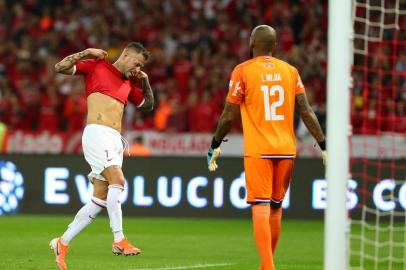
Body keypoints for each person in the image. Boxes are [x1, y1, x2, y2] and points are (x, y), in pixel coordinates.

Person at [206, 25, 327, 270]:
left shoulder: (243, 71)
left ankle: (268, 268)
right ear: (274, 46)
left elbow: (229, 115)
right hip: (286, 148)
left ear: (252, 43)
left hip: (259, 149)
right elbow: (306, 110)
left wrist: (215, 144)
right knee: (276, 207)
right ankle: (266, 266)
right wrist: (323, 145)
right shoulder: (290, 71)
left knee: (260, 206)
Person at [49, 42, 154, 270]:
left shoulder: (130, 82)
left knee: (100, 199)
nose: (137, 68)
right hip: (97, 132)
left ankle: (62, 242)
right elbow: (60, 67)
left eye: (141, 66)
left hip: (115, 139)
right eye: (137, 63)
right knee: (119, 181)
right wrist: (86, 52)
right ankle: (119, 240)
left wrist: (144, 80)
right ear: (126, 54)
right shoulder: (98, 66)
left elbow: (147, 106)